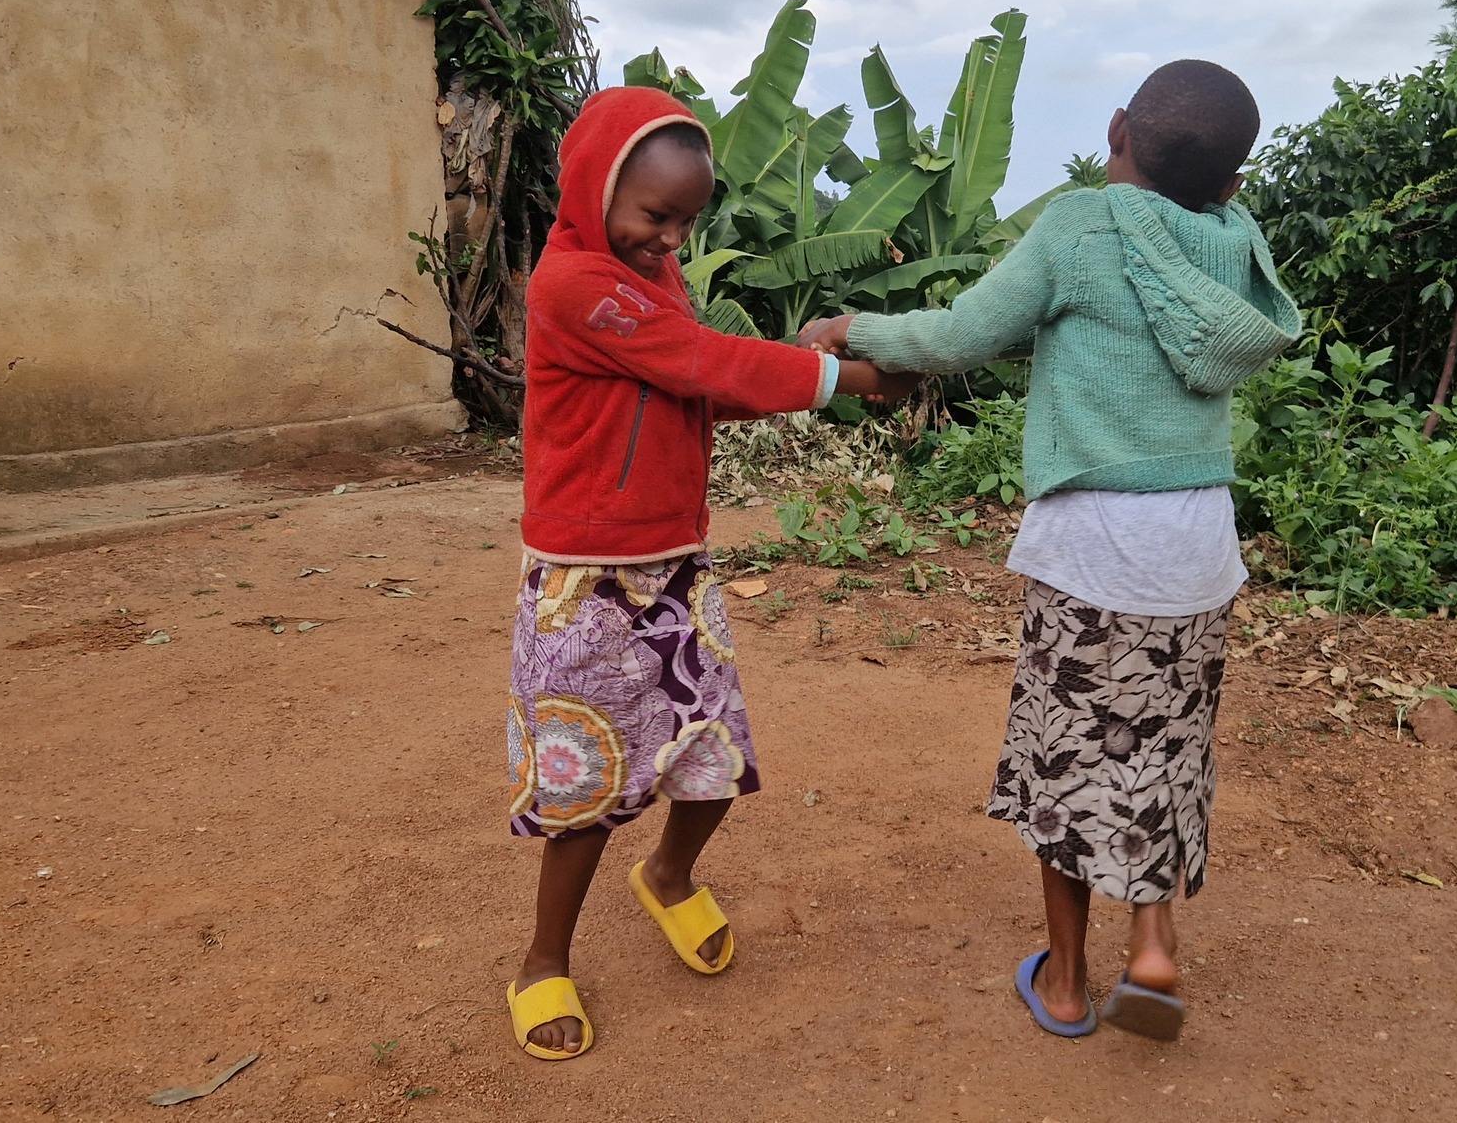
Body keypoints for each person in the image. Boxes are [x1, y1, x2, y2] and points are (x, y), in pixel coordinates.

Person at [799, 60, 1302, 1041]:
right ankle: (1151, 944)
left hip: (1094, 551)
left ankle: (1067, 981)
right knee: (1161, 743)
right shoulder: (1236, 242)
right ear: (1232, 183)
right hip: (1198, 547)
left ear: (1115, 127)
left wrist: (852, 328)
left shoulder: (1079, 226)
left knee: (1069, 753)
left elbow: (962, 334)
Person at [504, 86, 917, 1061]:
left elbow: (691, 392)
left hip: (676, 570)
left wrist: (794, 372)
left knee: (714, 762)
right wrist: (842, 377)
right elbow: (699, 364)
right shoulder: (573, 284)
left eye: (687, 222)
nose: (673, 242)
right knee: (591, 794)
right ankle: (541, 959)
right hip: (586, 584)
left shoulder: (652, 286)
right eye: (656, 216)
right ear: (594, 186)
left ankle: (671, 877)